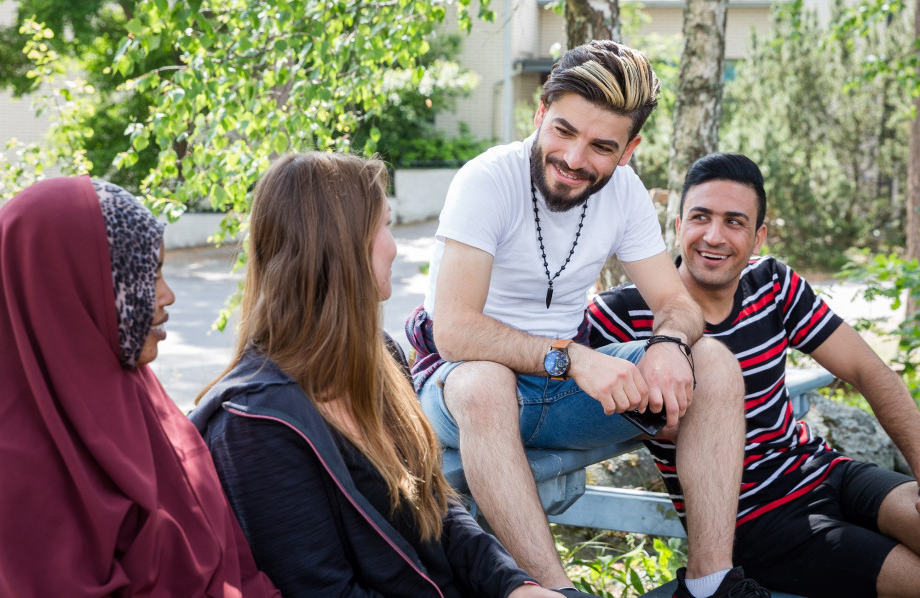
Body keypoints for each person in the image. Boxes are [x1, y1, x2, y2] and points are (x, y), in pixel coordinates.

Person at [406, 40, 768, 598]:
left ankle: (710, 585)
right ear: (540, 114)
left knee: (714, 360)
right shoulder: (488, 180)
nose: (575, 159)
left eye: (601, 146)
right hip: (461, 393)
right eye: (563, 131)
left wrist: (670, 343)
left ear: (629, 150)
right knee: (484, 382)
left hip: (557, 398)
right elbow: (455, 330)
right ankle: (555, 593)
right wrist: (572, 357)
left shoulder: (623, 193)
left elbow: (678, 305)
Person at [190, 152, 558, 597]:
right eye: (384, 225)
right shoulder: (254, 425)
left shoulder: (378, 357)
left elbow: (436, 510)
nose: (395, 245)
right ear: (340, 246)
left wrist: (517, 585)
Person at [589, 152, 920, 598]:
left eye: (734, 222)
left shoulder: (773, 284)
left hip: (826, 471)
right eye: (700, 217)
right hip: (755, 521)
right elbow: (547, 376)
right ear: (677, 225)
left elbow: (868, 369)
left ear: (758, 236)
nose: (713, 236)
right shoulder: (621, 313)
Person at [0, 176, 280, 597]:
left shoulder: (147, 405)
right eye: (147, 276)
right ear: (72, 292)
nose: (167, 296)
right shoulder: (15, 475)